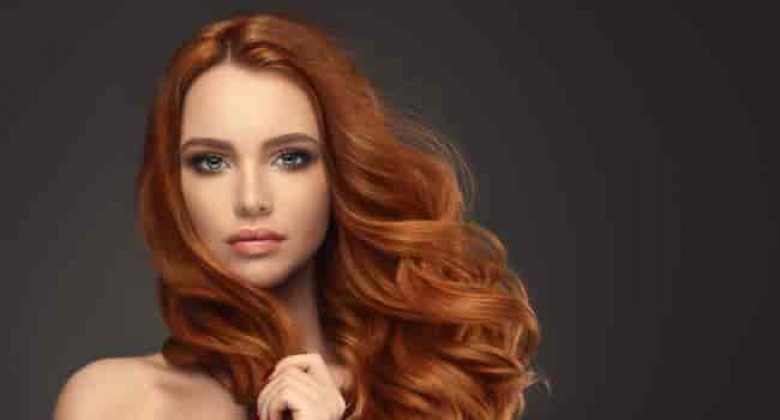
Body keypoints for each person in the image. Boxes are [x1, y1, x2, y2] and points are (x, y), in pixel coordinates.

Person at [53, 11, 541, 420]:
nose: (251, 199)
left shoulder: (426, 396)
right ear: (173, 185)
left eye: (290, 158)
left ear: (339, 172)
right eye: (212, 162)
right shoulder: (114, 402)